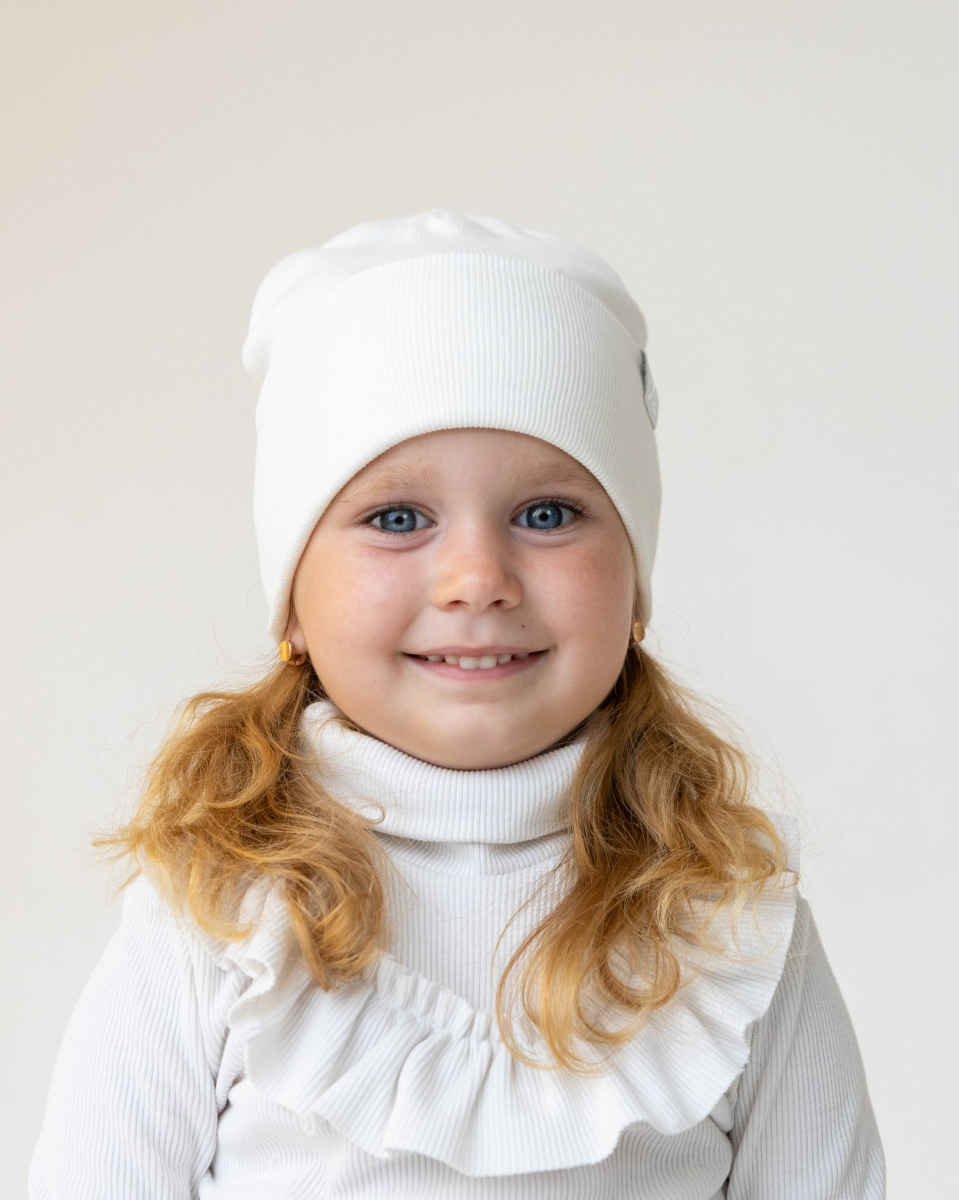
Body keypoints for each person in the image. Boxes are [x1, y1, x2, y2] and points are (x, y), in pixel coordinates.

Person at [28, 209, 885, 1198]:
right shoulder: (216, 915)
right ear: (292, 600)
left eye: (546, 513)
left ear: (634, 589)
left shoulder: (726, 925)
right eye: (397, 517)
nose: (476, 579)